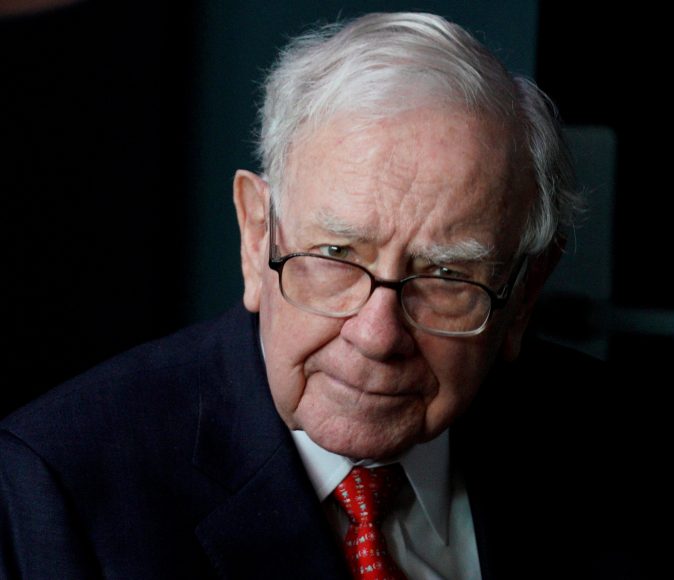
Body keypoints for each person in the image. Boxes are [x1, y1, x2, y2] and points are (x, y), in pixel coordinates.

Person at [0, 12, 637, 579]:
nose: (377, 335)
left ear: (523, 294)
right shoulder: (56, 486)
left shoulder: (620, 447)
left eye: (446, 274)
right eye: (336, 255)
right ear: (257, 236)